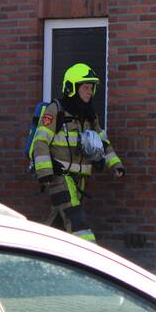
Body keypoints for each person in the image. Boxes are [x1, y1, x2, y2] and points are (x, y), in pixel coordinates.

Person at [31, 63, 125, 241]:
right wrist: (44, 172)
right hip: (60, 177)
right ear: (71, 87)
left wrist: (116, 165)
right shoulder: (56, 110)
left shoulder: (89, 115)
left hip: (80, 180)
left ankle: (34, 256)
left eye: (92, 88)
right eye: (85, 87)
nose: (90, 92)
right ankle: (91, 260)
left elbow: (102, 142)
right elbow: (40, 141)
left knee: (58, 225)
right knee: (77, 222)